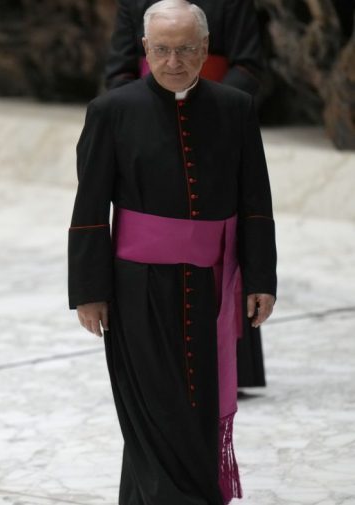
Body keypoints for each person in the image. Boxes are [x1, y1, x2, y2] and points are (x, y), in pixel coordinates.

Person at [68, 1, 277, 503]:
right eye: (162, 50)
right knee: (154, 406)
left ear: (204, 49)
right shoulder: (111, 111)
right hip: (135, 288)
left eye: (186, 50)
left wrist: (262, 279)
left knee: (199, 403)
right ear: (144, 49)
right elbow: (91, 207)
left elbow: (256, 202)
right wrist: (89, 292)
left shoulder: (234, 108)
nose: (174, 61)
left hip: (211, 285)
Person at [105, 0, 270, 394]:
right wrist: (149, 114)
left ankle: (232, 369)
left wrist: (204, 105)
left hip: (216, 129)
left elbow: (249, 64)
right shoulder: (134, 5)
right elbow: (119, 70)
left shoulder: (233, 5)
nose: (174, 57)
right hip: (151, 128)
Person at [104, 0, 264, 96]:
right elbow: (120, 70)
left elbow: (247, 66)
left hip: (215, 110)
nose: (173, 63)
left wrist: (213, 104)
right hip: (145, 110)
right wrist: (141, 108)